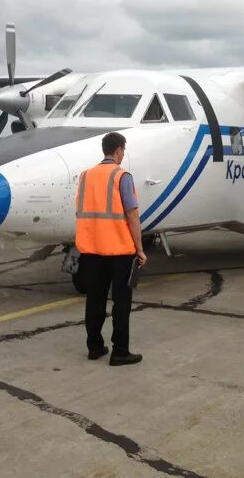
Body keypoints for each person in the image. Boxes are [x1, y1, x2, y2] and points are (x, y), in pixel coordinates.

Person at [75, 132, 147, 366]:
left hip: (91, 249)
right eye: (123, 151)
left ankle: (94, 347)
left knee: (94, 299)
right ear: (118, 150)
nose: (123, 155)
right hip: (119, 251)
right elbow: (132, 215)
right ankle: (120, 351)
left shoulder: (86, 176)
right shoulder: (122, 176)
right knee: (121, 301)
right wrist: (140, 249)